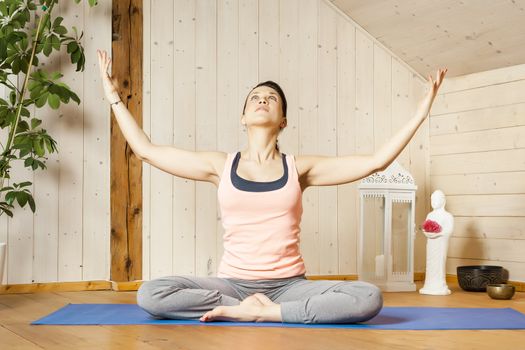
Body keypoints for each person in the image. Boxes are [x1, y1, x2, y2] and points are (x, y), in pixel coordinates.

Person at [96, 49, 447, 324]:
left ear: (283, 121)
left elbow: (375, 162)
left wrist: (421, 112)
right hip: (231, 285)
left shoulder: (300, 168)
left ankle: (264, 312)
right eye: (255, 97)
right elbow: (145, 150)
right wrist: (113, 96)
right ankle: (242, 307)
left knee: (369, 296)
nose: (262, 99)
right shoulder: (221, 165)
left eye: (271, 98)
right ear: (243, 117)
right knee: (151, 293)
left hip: (289, 286)